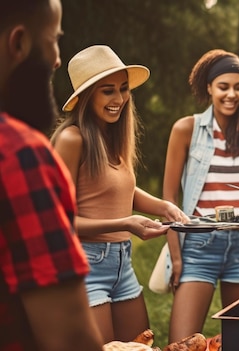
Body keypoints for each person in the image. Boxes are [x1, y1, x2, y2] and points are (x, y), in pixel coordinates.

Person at [50, 45, 187, 343]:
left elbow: (122, 189)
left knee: (139, 346)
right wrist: (125, 223)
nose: (119, 99)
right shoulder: (72, 139)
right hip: (86, 263)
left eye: (124, 89)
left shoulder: (110, 135)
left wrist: (163, 206)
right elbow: (59, 221)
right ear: (87, 96)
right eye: (107, 91)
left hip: (122, 263)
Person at [0, 0, 103, 350]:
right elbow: (70, 338)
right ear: (19, 43)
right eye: (53, 39)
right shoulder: (19, 155)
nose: (57, 58)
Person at [162, 49, 239, 342]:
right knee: (181, 344)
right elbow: (169, 200)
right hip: (200, 246)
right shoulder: (187, 129)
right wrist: (176, 257)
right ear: (209, 87)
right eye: (223, 87)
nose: (231, 94)